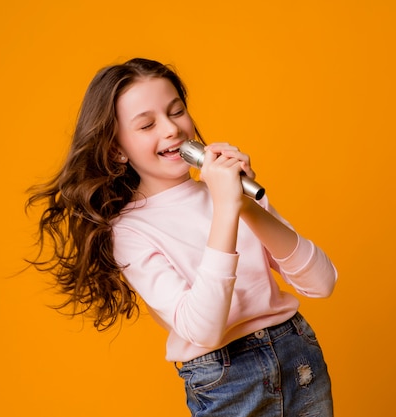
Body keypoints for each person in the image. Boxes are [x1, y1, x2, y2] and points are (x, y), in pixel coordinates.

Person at [27, 57, 338, 417]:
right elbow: (203, 330)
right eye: (146, 125)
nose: (171, 129)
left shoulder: (228, 193)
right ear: (116, 149)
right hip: (225, 379)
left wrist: (244, 205)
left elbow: (322, 282)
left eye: (176, 112)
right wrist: (225, 209)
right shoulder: (130, 231)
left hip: (297, 354)